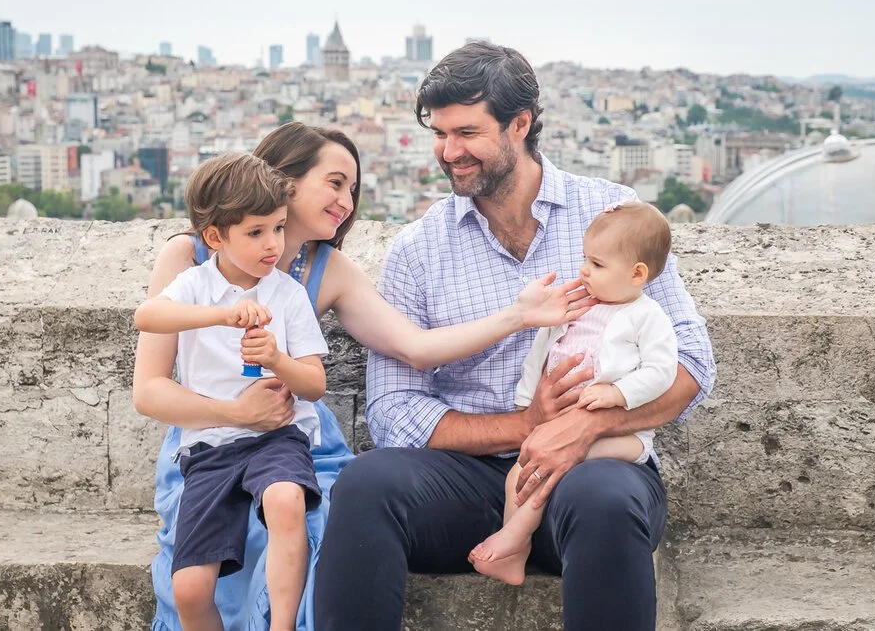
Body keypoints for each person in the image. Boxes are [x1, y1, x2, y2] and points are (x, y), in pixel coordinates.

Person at [313, 42, 716, 631]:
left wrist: (581, 427)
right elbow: (394, 412)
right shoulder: (420, 248)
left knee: (606, 499)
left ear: (520, 124)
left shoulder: (611, 212)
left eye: (467, 132)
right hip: (470, 482)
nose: (449, 152)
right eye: (439, 133)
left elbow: (691, 366)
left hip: (591, 469)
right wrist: (525, 428)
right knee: (366, 485)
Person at [133, 122, 596, 630]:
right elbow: (150, 389)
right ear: (284, 181)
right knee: (221, 553)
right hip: (208, 439)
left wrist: (518, 315)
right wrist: (234, 412)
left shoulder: (324, 269)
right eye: (335, 183)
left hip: (296, 442)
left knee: (318, 519)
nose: (346, 202)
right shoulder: (190, 259)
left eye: (353, 189)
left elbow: (416, 348)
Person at [135, 153, 331, 631]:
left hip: (277, 438)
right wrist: (221, 314)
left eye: (279, 229)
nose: (273, 245)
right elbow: (147, 316)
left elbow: (315, 383)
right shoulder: (195, 286)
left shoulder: (285, 294)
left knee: (285, 499)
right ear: (215, 237)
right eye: (257, 232)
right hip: (210, 447)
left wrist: (278, 360)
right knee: (189, 589)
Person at [470, 200, 679, 586]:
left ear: (637, 274)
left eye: (597, 265)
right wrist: (526, 400)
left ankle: (515, 537)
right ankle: (512, 551)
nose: (584, 270)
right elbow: (541, 352)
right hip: (554, 427)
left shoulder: (647, 316)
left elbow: (661, 371)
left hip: (621, 439)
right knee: (520, 470)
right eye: (586, 259)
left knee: (547, 469)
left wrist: (619, 393)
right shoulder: (578, 307)